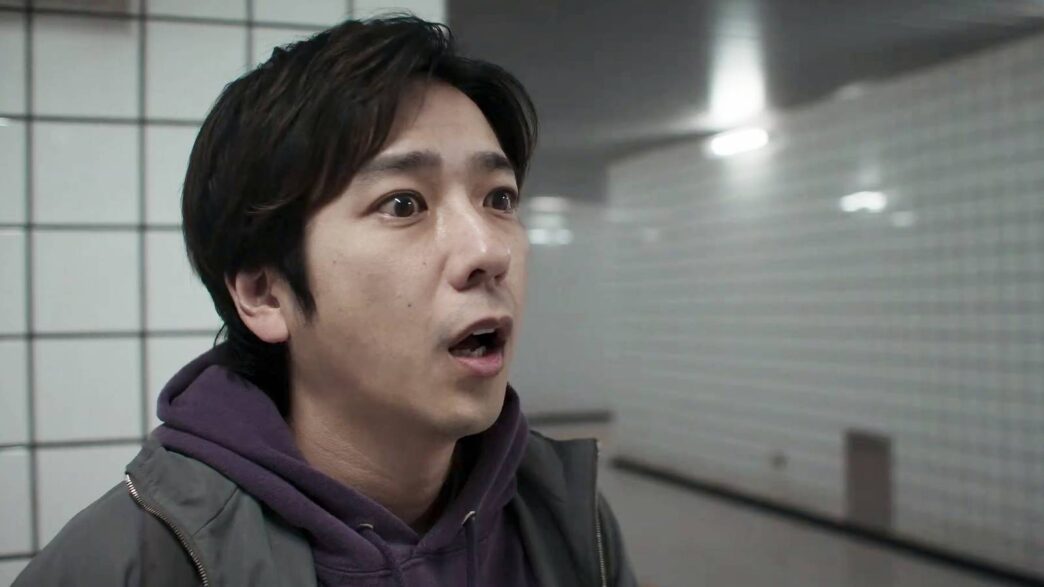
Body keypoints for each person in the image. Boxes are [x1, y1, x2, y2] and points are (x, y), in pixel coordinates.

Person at [15, 14, 636, 587]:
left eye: (498, 198)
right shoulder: (132, 562)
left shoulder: (569, 518)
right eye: (403, 204)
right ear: (264, 294)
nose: (489, 251)